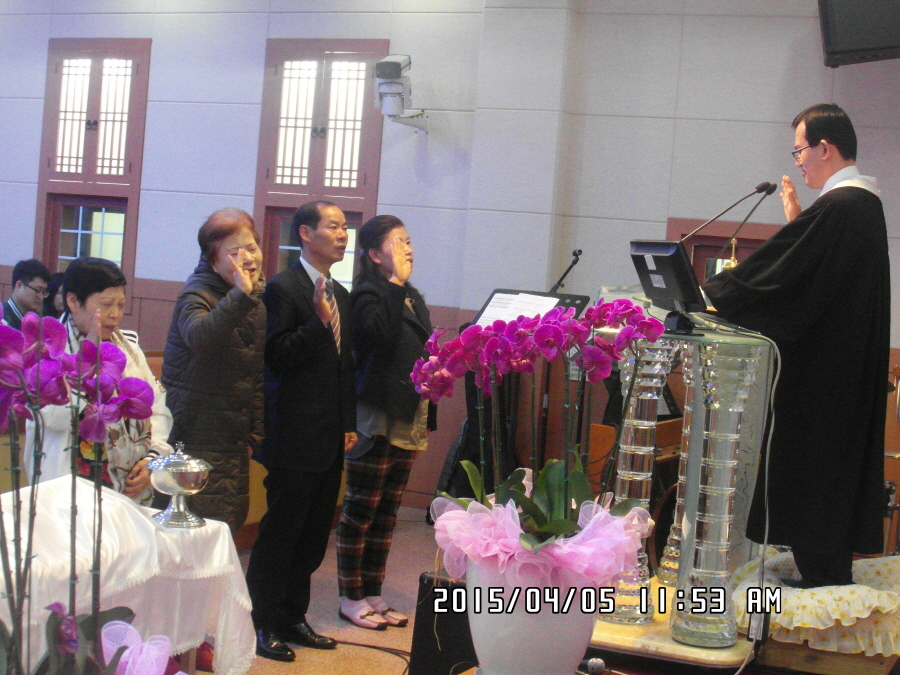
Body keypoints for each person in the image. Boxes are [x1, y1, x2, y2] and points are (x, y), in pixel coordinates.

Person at [704, 103, 890, 588]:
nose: (797, 161)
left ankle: (823, 583)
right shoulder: (855, 206)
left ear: (825, 148)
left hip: (825, 382)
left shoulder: (843, 206)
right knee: (826, 476)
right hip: (839, 373)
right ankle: (824, 574)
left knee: (816, 471)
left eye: (799, 150)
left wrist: (718, 293)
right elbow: (812, 272)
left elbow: (786, 275)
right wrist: (798, 221)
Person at [245, 200, 357, 662]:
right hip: (292, 435)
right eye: (333, 226)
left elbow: (344, 366)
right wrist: (318, 323)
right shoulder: (282, 288)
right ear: (306, 233)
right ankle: (260, 622)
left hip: (330, 436)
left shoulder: (340, 293)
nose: (343, 235)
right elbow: (276, 357)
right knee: (281, 535)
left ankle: (293, 616)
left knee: (312, 537)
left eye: (345, 227)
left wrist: (348, 423)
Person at [336, 215, 434, 629]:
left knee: (387, 512)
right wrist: (395, 284)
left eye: (408, 240)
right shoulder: (367, 293)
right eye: (398, 243)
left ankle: (373, 591)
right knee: (361, 509)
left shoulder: (410, 294)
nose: (408, 249)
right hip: (376, 414)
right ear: (376, 255)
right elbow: (376, 337)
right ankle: (350, 596)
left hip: (407, 411)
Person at [25, 258, 173, 505]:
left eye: (120, 304)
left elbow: (156, 408)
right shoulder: (47, 350)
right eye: (106, 304)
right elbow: (54, 419)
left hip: (127, 489)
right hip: (68, 490)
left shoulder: (128, 349)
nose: (115, 314)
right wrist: (86, 362)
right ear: (73, 301)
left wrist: (152, 459)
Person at [161, 208, 265, 534]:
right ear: (213, 260)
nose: (248, 258)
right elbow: (201, 338)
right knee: (195, 533)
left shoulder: (254, 295)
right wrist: (239, 295)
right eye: (235, 253)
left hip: (233, 436)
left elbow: (254, 370)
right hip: (194, 437)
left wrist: (256, 433)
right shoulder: (197, 294)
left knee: (225, 526)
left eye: (252, 247)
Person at [4, 259, 51, 329]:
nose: (41, 297)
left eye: (43, 292)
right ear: (19, 286)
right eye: (38, 290)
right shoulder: (3, 319)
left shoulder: (38, 322)